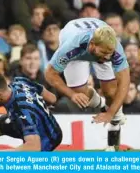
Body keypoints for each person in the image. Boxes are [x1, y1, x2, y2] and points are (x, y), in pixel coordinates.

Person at [44, 17, 130, 151]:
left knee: (111, 93)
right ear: (92, 45)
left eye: (109, 54)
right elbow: (49, 73)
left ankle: (114, 132)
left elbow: (125, 82)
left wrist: (111, 112)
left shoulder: (114, 49)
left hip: (96, 37)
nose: (107, 58)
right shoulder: (71, 46)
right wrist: (72, 94)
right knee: (79, 95)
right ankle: (101, 104)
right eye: (104, 53)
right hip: (76, 46)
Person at [0, 73, 62, 151]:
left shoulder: (22, 112)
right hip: (25, 119)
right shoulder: (20, 81)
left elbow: (34, 147)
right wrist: (37, 108)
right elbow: (52, 98)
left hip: (47, 139)